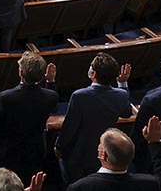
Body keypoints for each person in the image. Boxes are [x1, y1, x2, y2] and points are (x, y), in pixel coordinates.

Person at [55, 53, 134, 184]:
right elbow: (127, 113)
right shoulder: (121, 94)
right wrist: (123, 83)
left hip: (79, 157)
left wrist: (59, 147)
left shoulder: (79, 96)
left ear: (93, 74)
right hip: (106, 153)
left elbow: (70, 127)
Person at [0, 52, 58, 182]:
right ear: (42, 76)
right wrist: (50, 82)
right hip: (35, 151)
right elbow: (51, 101)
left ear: (20, 73)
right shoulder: (51, 96)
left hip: (8, 153)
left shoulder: (6, 97)